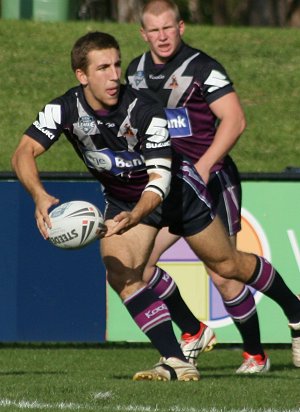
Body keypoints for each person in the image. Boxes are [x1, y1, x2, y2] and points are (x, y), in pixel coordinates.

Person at [11, 31, 300, 382]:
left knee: (229, 265)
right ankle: (176, 359)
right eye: (103, 67)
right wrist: (39, 195)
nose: (115, 75)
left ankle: (295, 310)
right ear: (82, 76)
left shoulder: (145, 110)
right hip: (124, 198)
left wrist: (135, 217)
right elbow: (23, 151)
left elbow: (159, 180)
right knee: (121, 272)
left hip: (177, 193)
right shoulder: (64, 108)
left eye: (117, 64)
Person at [125, 0, 300, 372]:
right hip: (165, 183)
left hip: (210, 180)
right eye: (154, 30)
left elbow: (234, 120)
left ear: (181, 27)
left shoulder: (203, 67)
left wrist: (203, 167)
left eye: (168, 27)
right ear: (143, 34)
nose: (162, 36)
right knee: (136, 265)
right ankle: (193, 330)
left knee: (224, 273)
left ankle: (263, 346)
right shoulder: (134, 73)